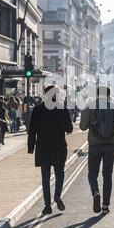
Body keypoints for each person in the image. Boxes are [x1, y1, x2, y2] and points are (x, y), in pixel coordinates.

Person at [80, 86, 114, 214]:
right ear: (108, 95)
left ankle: (95, 192)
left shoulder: (90, 106)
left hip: (94, 145)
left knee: (92, 174)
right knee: (107, 175)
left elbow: (82, 126)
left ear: (96, 94)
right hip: (110, 145)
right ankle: (105, 206)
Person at [28, 86, 73, 215]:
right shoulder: (61, 109)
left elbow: (32, 130)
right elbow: (69, 128)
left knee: (45, 177)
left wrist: (31, 147)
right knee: (59, 173)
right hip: (59, 146)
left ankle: (47, 205)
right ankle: (57, 195)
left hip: (43, 147)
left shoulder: (37, 110)